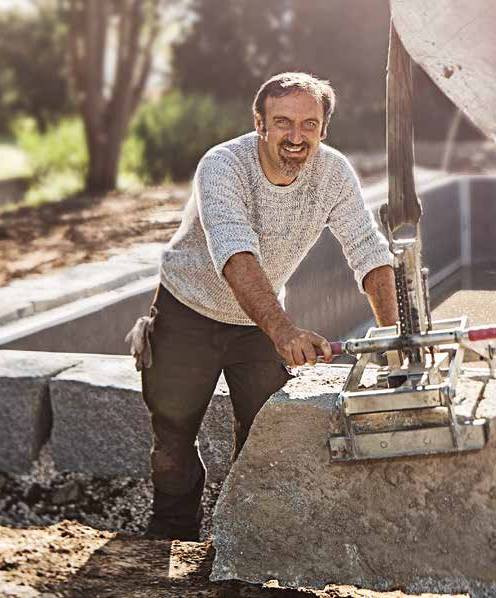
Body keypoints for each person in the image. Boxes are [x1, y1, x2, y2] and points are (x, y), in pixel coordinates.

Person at [129, 72, 399, 541]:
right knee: (172, 441)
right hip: (187, 313)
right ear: (259, 123)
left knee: (265, 435)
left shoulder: (333, 173)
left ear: (323, 129)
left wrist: (396, 336)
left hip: (256, 327)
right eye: (283, 123)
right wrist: (285, 332)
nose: (296, 137)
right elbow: (235, 254)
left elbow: (369, 253)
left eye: (309, 125)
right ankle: (170, 534)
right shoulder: (222, 166)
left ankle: (242, 540)